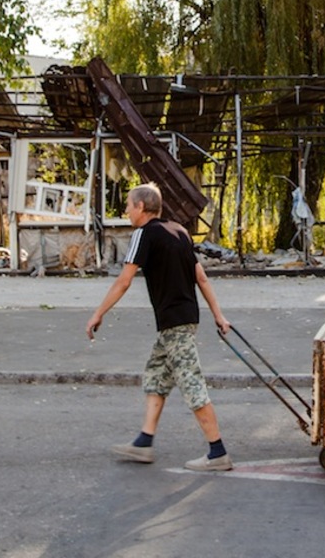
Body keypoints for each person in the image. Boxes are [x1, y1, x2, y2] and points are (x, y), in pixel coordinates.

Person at [86, 182, 233, 472]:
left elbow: (124, 280)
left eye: (129, 205)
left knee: (191, 384)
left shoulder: (144, 234)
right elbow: (201, 278)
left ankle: (217, 452)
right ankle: (144, 442)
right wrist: (218, 315)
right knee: (156, 375)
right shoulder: (179, 231)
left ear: (141, 206)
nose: (126, 211)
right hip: (182, 321)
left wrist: (98, 313)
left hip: (175, 323)